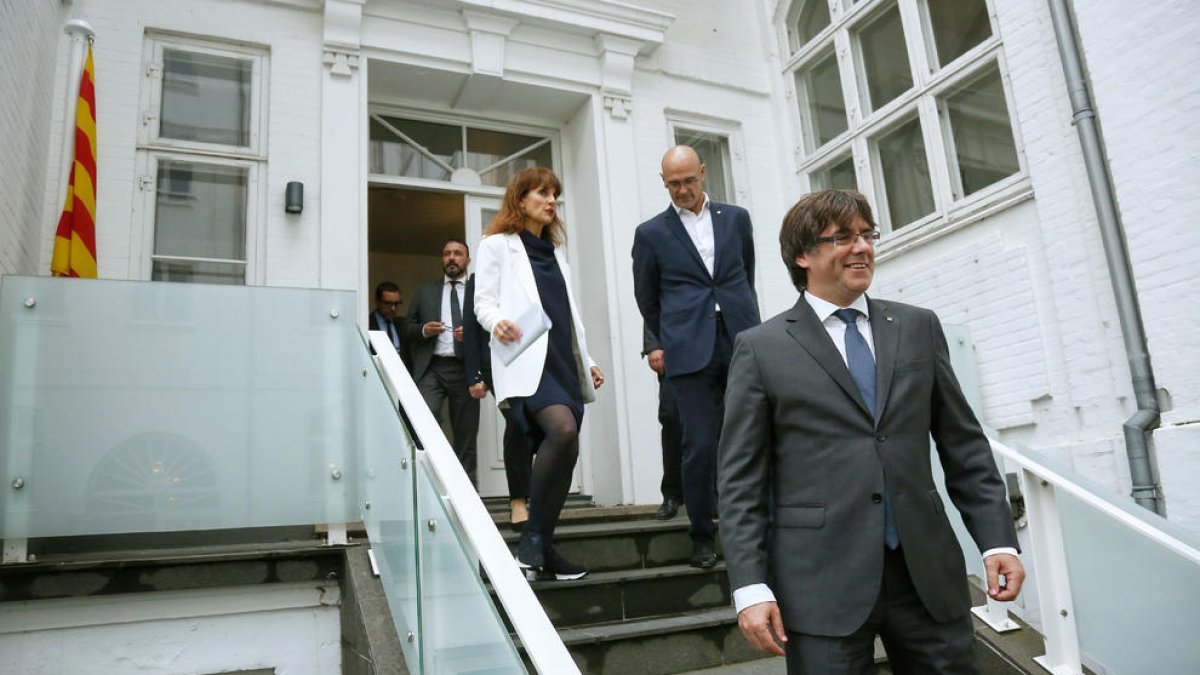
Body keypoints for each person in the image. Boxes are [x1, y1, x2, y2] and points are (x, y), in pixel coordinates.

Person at [717, 188, 1025, 674]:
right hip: (820, 583)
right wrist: (751, 587)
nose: (861, 247)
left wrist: (997, 540)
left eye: (866, 235)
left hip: (926, 576)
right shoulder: (760, 348)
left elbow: (963, 444)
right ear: (803, 255)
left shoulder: (918, 327)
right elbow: (740, 482)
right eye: (841, 237)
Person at [474, 166, 605, 582]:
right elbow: (483, 301)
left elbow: (570, 315)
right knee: (561, 432)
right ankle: (531, 540)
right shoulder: (497, 245)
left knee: (566, 452)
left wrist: (589, 359)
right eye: (542, 193)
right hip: (528, 360)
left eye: (555, 195)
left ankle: (543, 550)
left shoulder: (556, 254)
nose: (551, 201)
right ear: (520, 198)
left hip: (564, 363)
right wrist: (497, 322)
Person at [631, 145, 760, 568]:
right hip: (689, 350)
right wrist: (666, 339)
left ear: (703, 173)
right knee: (700, 444)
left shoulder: (736, 218)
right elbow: (647, 299)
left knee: (747, 438)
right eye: (674, 184)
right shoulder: (650, 233)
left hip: (740, 338)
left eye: (689, 180)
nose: (683, 190)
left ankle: (754, 531)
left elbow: (746, 272)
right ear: (663, 183)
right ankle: (702, 534)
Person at [405, 240, 480, 485]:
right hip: (432, 368)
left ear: (467, 261)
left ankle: (468, 492)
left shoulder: (479, 291)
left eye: (458, 254)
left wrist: (470, 335)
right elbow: (407, 328)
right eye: (447, 253)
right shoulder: (425, 290)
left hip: (465, 369)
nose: (451, 258)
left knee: (466, 434)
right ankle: (436, 481)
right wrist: (425, 330)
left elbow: (492, 331)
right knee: (424, 418)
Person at [463, 273, 534, 530]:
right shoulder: (479, 277)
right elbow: (470, 327)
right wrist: (474, 375)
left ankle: (533, 494)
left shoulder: (532, 268)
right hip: (495, 364)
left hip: (533, 359)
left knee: (536, 427)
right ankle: (518, 500)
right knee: (517, 422)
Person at [642, 325, 683, 521]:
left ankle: (715, 494)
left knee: (718, 421)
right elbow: (651, 299)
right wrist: (653, 345)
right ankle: (672, 494)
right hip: (674, 346)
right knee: (671, 417)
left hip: (715, 346)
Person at [370, 281, 410, 369]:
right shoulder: (367, 324)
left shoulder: (402, 324)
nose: (393, 308)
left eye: (396, 304)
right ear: (377, 302)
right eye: (388, 303)